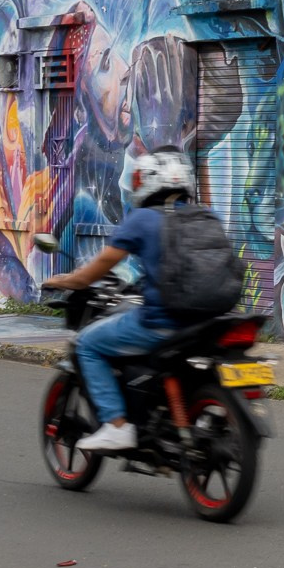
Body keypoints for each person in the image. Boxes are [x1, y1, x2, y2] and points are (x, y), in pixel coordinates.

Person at [46, 146, 196, 452]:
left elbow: (92, 274)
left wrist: (61, 279)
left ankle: (116, 425)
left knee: (87, 344)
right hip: (205, 322)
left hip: (162, 323)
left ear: (148, 182)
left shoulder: (142, 220)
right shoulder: (205, 215)